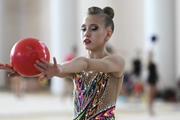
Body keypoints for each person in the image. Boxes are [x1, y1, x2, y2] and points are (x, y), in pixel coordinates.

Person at [0, 6, 125, 120]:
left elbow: (85, 63)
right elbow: (51, 69)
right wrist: (24, 68)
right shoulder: (77, 67)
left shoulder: (117, 62)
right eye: (83, 28)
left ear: (108, 34)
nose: (86, 33)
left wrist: (59, 69)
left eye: (93, 28)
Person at [146, 51, 158, 115]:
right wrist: (149, 56)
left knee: (153, 95)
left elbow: (156, 72)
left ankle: (152, 108)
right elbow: (147, 65)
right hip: (150, 80)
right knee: (150, 96)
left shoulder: (154, 63)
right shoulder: (149, 62)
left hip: (154, 80)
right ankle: (149, 109)